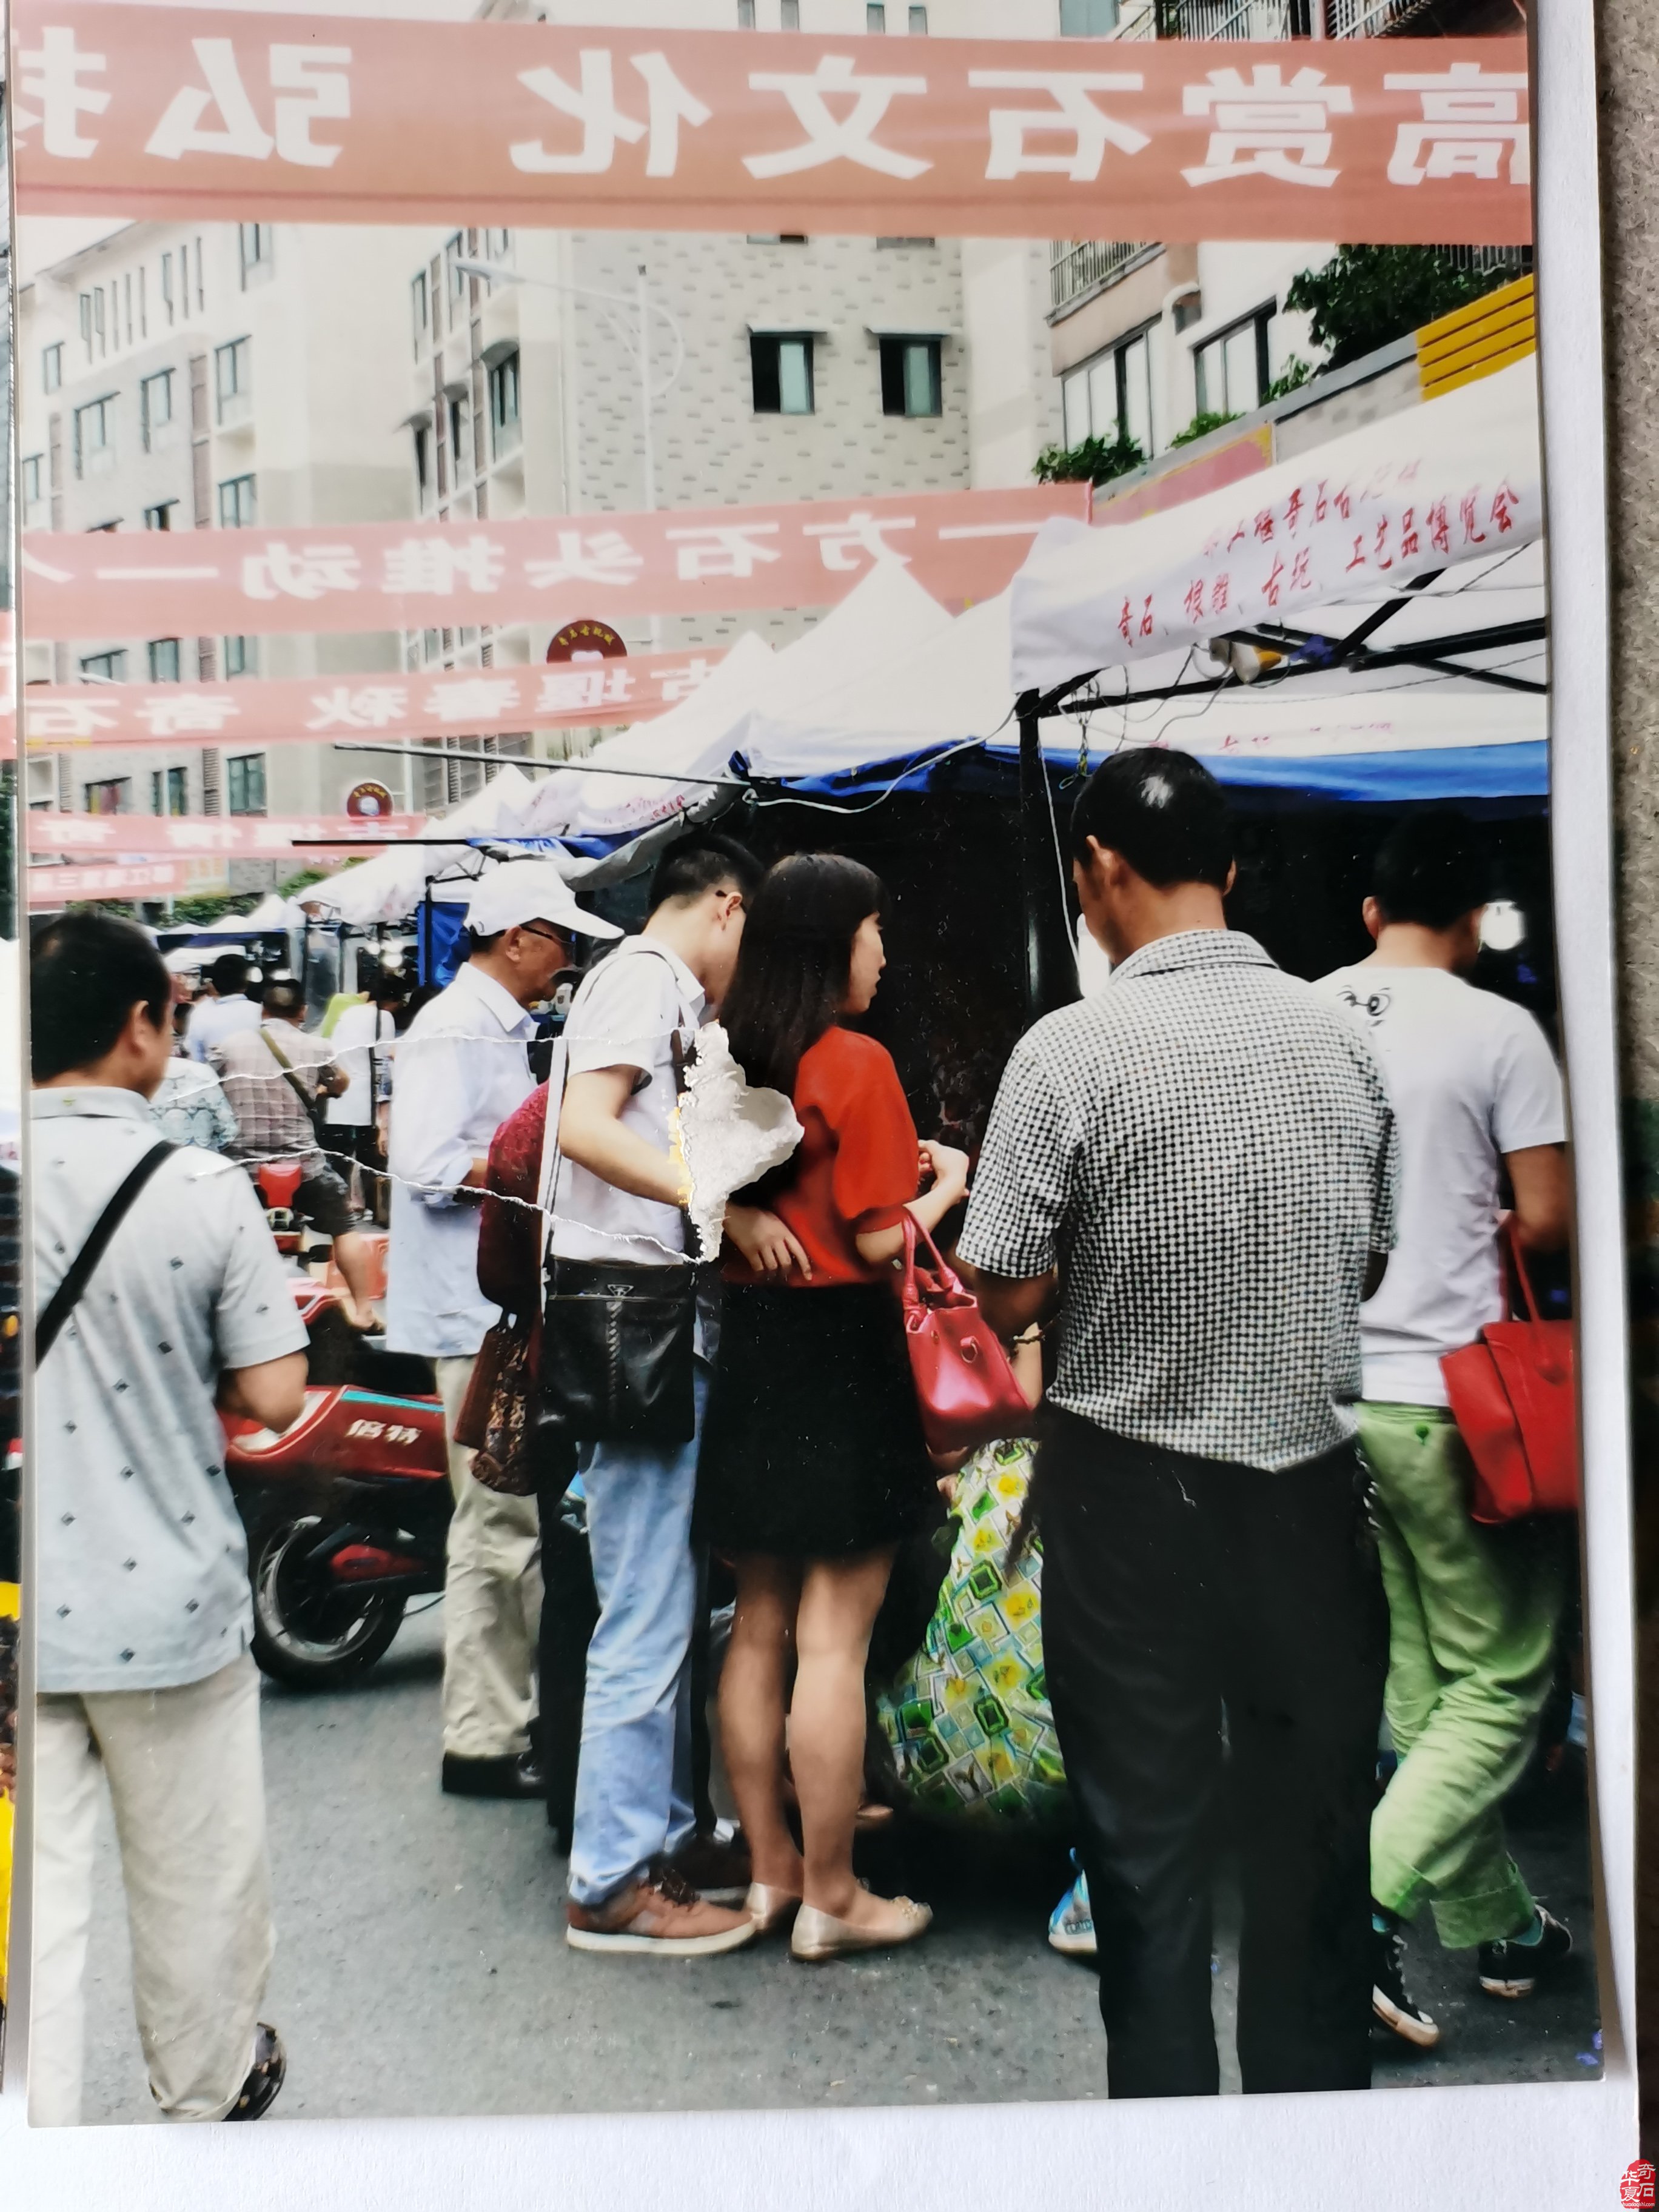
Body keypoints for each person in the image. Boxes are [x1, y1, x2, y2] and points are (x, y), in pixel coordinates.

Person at [956, 748, 1397, 2099]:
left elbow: (1004, 1281)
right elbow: (1367, 1262)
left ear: (1096, 870)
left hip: (1129, 1504)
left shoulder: (1070, 1050)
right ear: (1234, 869)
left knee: (1144, 1867)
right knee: (1314, 1858)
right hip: (1313, 1497)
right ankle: (1313, 2162)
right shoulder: (1345, 1037)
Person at [29, 913, 307, 2125]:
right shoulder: (200, 1188)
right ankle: (199, 2119)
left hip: (17, 1608)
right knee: (194, 1887)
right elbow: (273, 1392)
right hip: (168, 1609)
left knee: (31, 1904)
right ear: (142, 1028)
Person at [1315, 813, 1574, 2048]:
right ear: (1476, 922)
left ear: (1371, 916)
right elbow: (1549, 1217)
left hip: (1337, 1396)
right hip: (1461, 1404)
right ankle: (1348, 1920)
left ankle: (1503, 1928)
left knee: (1427, 1683)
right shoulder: (1500, 1030)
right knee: (1508, 1688)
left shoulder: (1311, 1013)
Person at [694, 854, 970, 1963]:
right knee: (835, 1640)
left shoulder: (724, 1058)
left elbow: (708, 1206)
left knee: (758, 1627)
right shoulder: (855, 1062)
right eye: (873, 931)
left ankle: (767, 1872)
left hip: (757, 1354)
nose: (885, 952)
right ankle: (835, 1892)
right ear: (830, 946)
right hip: (845, 1362)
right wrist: (941, 1187)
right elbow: (871, 1236)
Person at [546, 830, 776, 1956]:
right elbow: (584, 1128)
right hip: (636, 1315)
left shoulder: (657, 988)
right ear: (726, 905)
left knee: (663, 1594)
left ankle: (663, 1836)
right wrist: (714, 1198)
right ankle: (613, 1877)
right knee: (643, 1602)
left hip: (651, 1313)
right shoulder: (641, 980)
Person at [387, 862, 621, 1801]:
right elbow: (427, 1163)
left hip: (491, 1306)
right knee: (496, 1523)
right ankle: (484, 1739)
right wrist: (537, 1152)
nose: (563, 961)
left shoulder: (492, 1028)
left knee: (508, 1519)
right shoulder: (454, 1032)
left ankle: (506, 1722)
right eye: (558, 940)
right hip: (466, 1310)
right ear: (516, 937)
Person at [213, 977, 378, 1332]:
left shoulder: (228, 1046)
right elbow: (340, 1084)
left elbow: (212, 1086)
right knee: (344, 1228)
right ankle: (364, 1310)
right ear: (302, 1012)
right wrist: (320, 1088)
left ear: (263, 1010)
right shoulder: (317, 1047)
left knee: (219, 1233)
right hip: (304, 1166)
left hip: (243, 1168)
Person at [325, 964, 404, 1225]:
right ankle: (377, 1209)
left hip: (339, 1099)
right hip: (365, 1100)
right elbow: (382, 1065)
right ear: (391, 1000)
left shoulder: (347, 1015)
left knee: (340, 1159)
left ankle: (339, 1208)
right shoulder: (385, 1019)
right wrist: (386, 1112)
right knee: (372, 1159)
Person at [151, 1001, 239, 1153]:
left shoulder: (137, 1077)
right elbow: (228, 1130)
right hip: (201, 1167)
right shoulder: (203, 1073)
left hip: (154, 1169)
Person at [186, 953, 263, 1063]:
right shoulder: (260, 1012)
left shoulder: (200, 1013)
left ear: (214, 984)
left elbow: (196, 1058)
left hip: (216, 1077)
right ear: (245, 983)